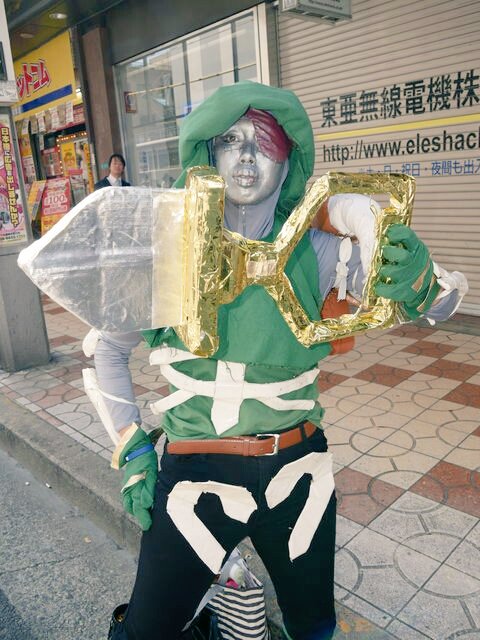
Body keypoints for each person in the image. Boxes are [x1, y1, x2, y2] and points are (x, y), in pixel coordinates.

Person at [90, 82, 467, 640]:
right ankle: (220, 610)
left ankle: (233, 605)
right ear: (206, 152)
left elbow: (439, 304)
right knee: (148, 632)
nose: (246, 157)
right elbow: (107, 347)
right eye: (231, 140)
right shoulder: (168, 251)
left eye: (264, 143)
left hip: (297, 470)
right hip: (195, 472)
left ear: (288, 159)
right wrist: (133, 448)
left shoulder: (321, 248)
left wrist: (419, 281)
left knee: (313, 628)